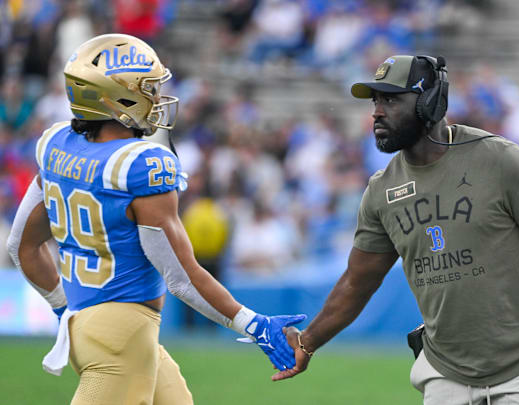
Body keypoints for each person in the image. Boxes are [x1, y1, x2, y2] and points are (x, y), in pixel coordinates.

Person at [272, 55, 519, 404]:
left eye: (390, 100)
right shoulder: (381, 192)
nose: (376, 113)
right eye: (374, 102)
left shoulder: (498, 159)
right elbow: (357, 282)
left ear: (429, 103)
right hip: (445, 370)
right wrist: (309, 341)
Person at [5, 33, 304, 405]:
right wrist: (254, 324)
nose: (158, 98)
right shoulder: (141, 165)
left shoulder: (55, 144)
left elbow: (22, 247)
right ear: (118, 97)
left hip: (94, 328)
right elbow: (181, 278)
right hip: (122, 336)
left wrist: (65, 310)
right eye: (148, 88)